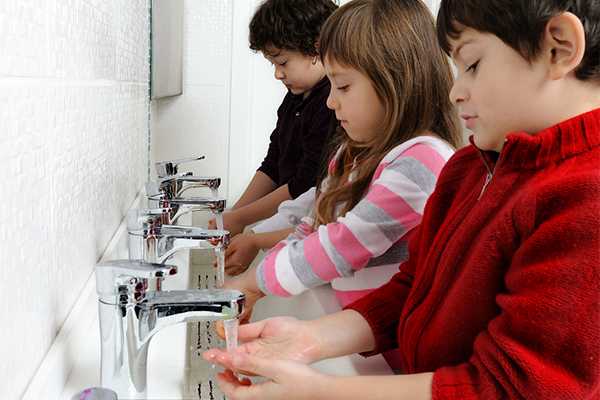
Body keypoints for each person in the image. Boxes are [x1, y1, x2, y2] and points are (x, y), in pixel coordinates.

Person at [204, 0, 600, 398]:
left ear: (559, 47)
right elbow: (413, 287)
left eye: (473, 64)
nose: (456, 89)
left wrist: (318, 390)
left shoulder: (584, 199)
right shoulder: (467, 170)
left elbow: (514, 387)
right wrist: (311, 338)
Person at [218, 0, 462, 369]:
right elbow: (312, 226)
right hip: (369, 344)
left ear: (395, 79)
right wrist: (259, 275)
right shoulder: (354, 155)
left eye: (343, 86)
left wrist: (256, 282)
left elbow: (346, 242)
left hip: (409, 356)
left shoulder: (422, 161)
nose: (331, 102)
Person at [208, 0, 338, 237]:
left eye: (282, 63)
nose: (278, 74)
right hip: (291, 219)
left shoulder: (331, 104)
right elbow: (272, 166)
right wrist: (232, 216)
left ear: (316, 49)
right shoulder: (294, 99)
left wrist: (240, 218)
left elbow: (305, 184)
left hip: (311, 227)